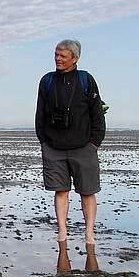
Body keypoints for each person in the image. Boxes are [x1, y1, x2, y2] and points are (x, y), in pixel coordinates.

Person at [36, 39, 106, 244]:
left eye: (62, 56)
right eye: (56, 55)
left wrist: (95, 141)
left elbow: (96, 113)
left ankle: (89, 233)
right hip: (53, 146)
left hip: (84, 146)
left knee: (87, 192)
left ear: (74, 58)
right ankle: (62, 231)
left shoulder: (85, 79)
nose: (58, 59)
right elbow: (40, 112)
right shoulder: (47, 80)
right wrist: (43, 140)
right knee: (60, 190)